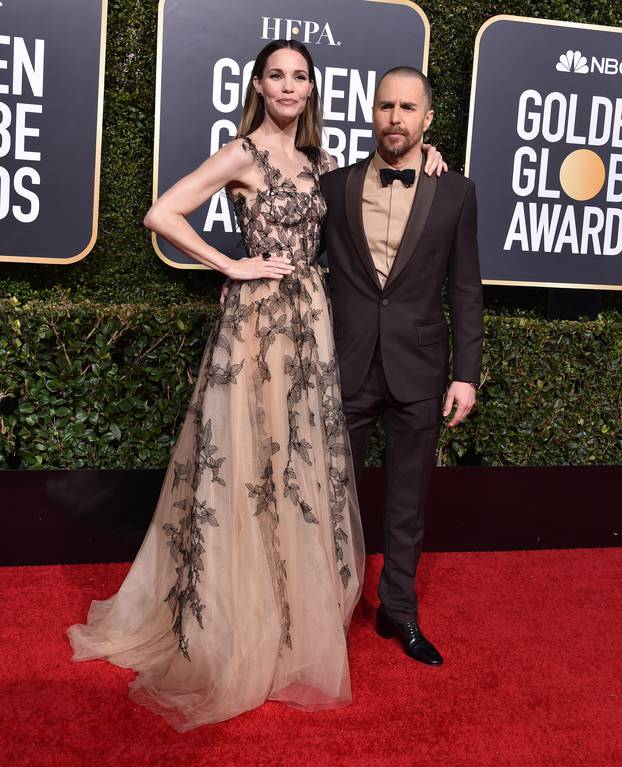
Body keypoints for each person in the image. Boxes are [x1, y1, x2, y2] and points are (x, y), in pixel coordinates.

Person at [67, 40, 444, 730]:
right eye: (278, 75)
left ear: (312, 89)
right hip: (257, 326)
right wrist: (230, 266)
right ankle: (236, 621)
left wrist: (431, 157)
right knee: (247, 469)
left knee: (295, 471)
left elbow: (385, 183)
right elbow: (163, 213)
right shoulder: (242, 153)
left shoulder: (326, 163)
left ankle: (288, 617)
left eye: (300, 77)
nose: (290, 87)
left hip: (313, 326)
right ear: (260, 84)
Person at [320, 66, 483, 667]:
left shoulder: (457, 192)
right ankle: (329, 613)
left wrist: (465, 373)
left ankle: (399, 611)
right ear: (372, 112)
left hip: (421, 369)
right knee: (335, 497)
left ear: (427, 119)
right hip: (346, 362)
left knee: (408, 501)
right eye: (386, 105)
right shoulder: (333, 186)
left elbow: (466, 287)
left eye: (408, 108)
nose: (395, 117)